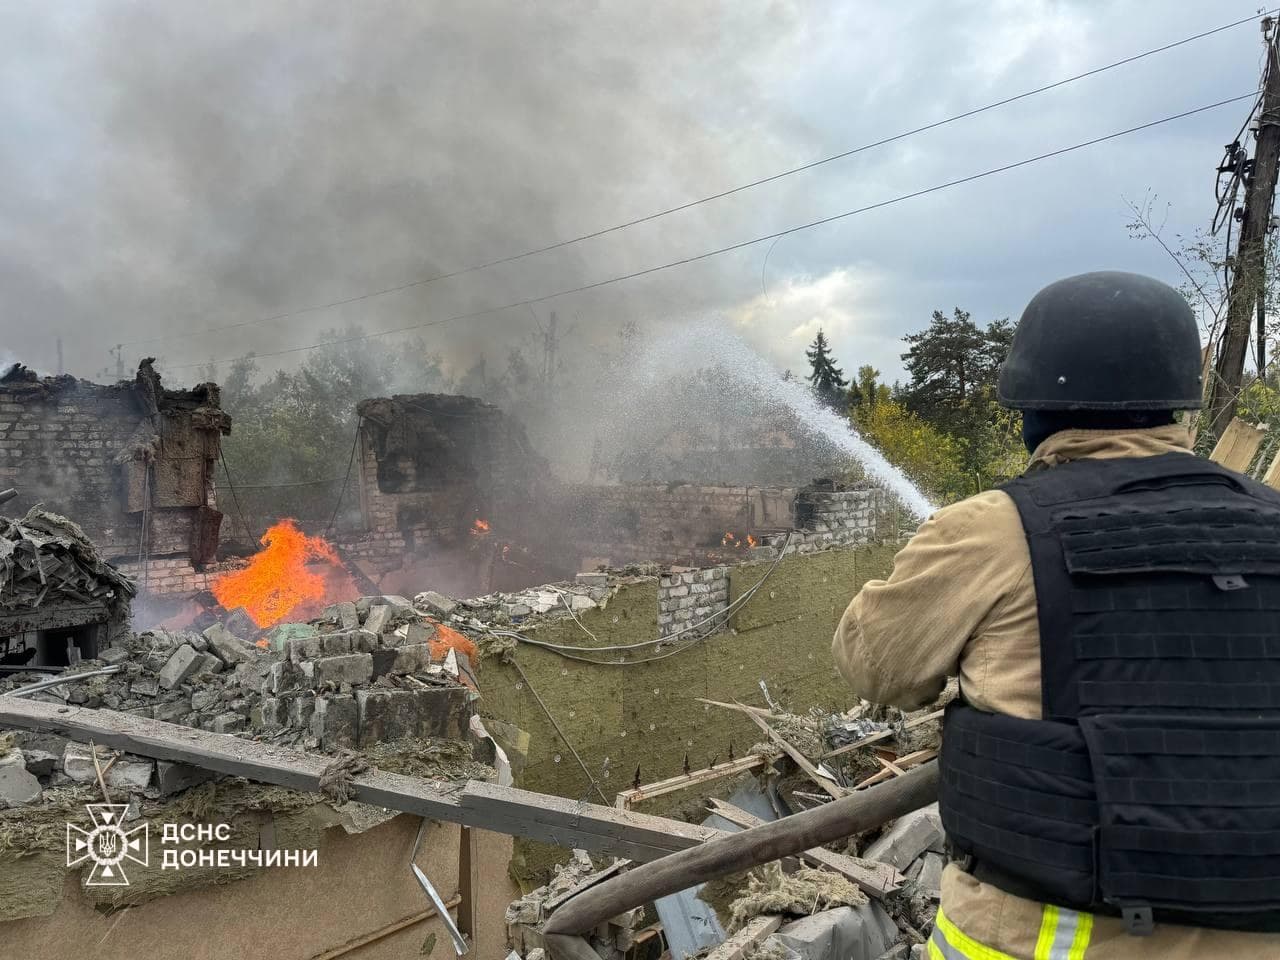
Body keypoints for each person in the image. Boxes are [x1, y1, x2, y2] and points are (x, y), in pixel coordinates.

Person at [833, 271, 1280, 959]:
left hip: (1042, 935)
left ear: (1033, 409)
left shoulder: (992, 529)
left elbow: (875, 667)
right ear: (1176, 407)